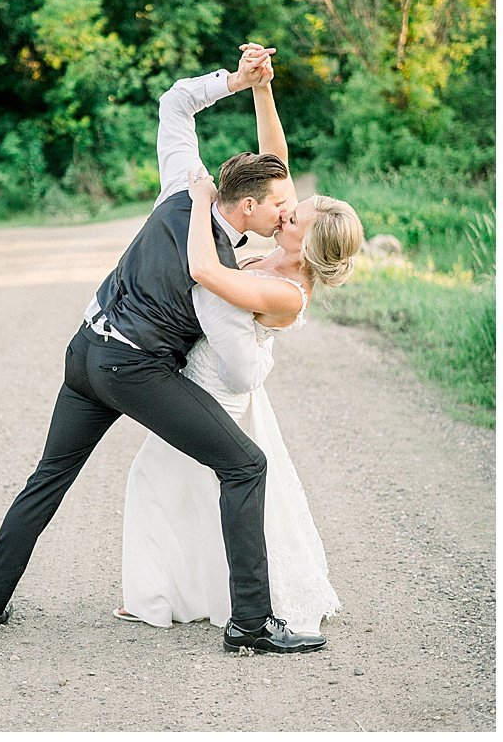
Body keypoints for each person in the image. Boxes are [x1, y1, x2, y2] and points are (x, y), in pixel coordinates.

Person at [0, 45, 329, 655]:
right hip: (131, 368)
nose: (286, 214)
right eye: (279, 208)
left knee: (48, 479)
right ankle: (251, 623)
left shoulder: (179, 187)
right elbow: (232, 354)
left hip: (83, 349)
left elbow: (177, 105)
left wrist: (241, 84)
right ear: (248, 207)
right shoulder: (216, 264)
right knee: (245, 465)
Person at [116, 48, 362, 634]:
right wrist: (260, 87)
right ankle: (172, 594)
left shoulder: (286, 291)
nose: (284, 211)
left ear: (307, 241)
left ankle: (158, 600)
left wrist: (201, 202)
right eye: (285, 206)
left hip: (219, 391)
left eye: (292, 214)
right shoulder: (282, 252)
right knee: (184, 486)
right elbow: (273, 165)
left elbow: (205, 271)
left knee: (164, 478)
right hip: (207, 377)